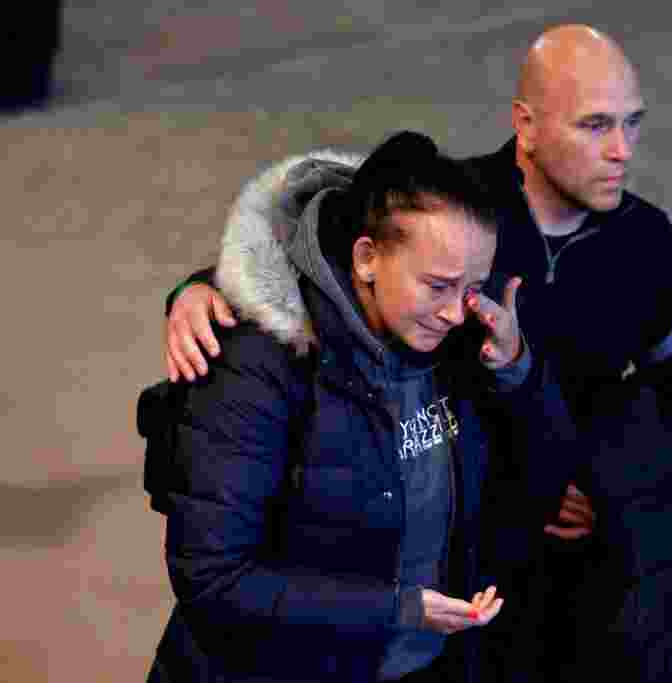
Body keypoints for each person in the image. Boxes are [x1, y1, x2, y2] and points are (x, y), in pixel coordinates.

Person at [159, 25, 672, 682]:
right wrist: (201, 289)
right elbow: (310, 258)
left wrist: (606, 477)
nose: (622, 150)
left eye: (632, 125)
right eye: (595, 126)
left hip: (505, 586)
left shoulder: (637, 247)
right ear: (526, 125)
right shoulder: (456, 211)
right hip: (411, 599)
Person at [146, 130, 578, 683]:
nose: (455, 312)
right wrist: (397, 610)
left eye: (470, 287)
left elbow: (546, 481)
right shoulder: (259, 364)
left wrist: (517, 367)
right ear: (367, 257)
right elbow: (213, 577)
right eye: (438, 286)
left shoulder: (467, 340)